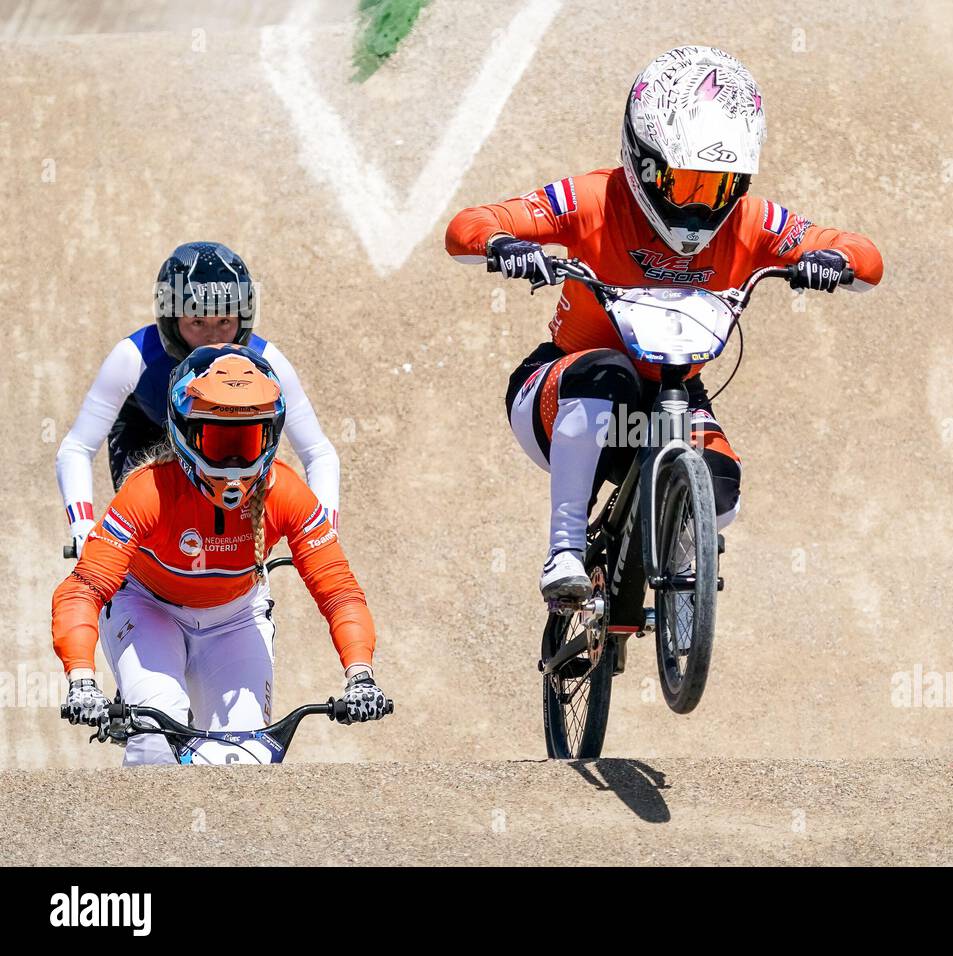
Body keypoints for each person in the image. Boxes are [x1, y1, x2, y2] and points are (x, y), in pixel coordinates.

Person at [445, 45, 884, 600]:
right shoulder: (593, 200)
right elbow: (467, 226)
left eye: (717, 186)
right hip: (562, 393)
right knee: (608, 376)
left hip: (673, 397)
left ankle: (675, 579)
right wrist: (505, 244)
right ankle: (565, 550)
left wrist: (833, 261)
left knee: (722, 490)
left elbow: (866, 256)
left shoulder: (752, 219)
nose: (699, 209)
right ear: (642, 159)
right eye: (683, 185)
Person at [52, 344, 389, 765]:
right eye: (218, 438)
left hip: (235, 618)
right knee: (155, 741)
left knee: (244, 761)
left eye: (246, 440)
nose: (233, 460)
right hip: (148, 608)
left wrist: (360, 674)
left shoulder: (286, 493)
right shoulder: (146, 491)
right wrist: (82, 677)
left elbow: (338, 591)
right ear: (185, 434)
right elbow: (83, 587)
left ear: (270, 435)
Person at [56, 241, 340, 557]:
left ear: (243, 319)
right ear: (171, 321)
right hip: (148, 435)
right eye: (197, 322)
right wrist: (82, 527)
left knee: (234, 542)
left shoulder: (269, 361)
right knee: (150, 540)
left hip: (227, 445)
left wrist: (322, 536)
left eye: (224, 322)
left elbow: (319, 453)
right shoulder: (132, 357)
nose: (213, 336)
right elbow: (77, 447)